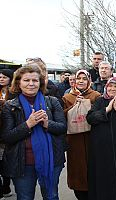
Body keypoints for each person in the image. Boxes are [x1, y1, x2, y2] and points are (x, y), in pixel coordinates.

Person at [1, 65, 67, 200]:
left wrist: (48, 123)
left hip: (51, 160)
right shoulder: (10, 105)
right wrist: (28, 125)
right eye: (26, 80)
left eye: (35, 80)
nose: (31, 84)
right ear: (18, 83)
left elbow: (62, 128)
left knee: (51, 196)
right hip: (22, 163)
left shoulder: (52, 102)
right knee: (25, 197)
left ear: (40, 83)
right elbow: (6, 137)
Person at [62, 70, 101, 200]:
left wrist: (87, 105)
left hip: (93, 138)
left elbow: (101, 114)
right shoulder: (67, 97)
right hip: (75, 141)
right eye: (78, 78)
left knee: (94, 168)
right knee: (77, 170)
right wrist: (75, 106)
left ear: (89, 81)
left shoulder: (96, 96)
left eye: (84, 78)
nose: (81, 81)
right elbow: (62, 117)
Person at [0, 69, 14, 198]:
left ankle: (6, 186)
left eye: (4, 77)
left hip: (8, 129)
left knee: (5, 159)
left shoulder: (13, 93)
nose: (1, 79)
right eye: (0, 77)